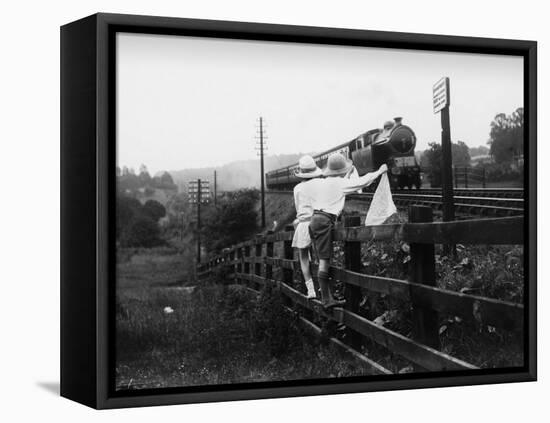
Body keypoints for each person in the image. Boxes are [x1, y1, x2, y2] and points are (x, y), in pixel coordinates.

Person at [308, 154, 388, 308]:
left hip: (315, 219)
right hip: (324, 220)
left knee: (321, 259)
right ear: (341, 170)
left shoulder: (325, 182)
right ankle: (326, 300)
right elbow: (361, 182)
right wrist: (379, 172)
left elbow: (343, 183)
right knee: (324, 261)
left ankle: (327, 295)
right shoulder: (340, 183)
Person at [292, 155, 322, 299]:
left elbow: (299, 209)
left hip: (303, 225)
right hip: (318, 222)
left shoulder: (297, 188)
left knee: (303, 256)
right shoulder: (320, 184)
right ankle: (324, 288)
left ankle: (311, 289)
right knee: (321, 257)